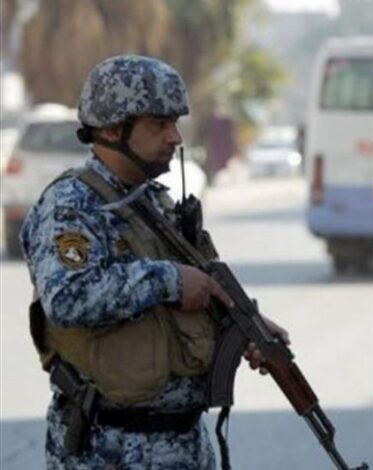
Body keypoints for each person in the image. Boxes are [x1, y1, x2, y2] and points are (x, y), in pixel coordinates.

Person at [21, 55, 288, 469]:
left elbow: (190, 297)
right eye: (159, 124)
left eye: (175, 123)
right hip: (112, 448)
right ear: (113, 129)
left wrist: (243, 323)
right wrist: (169, 280)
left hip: (183, 444)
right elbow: (68, 297)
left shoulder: (151, 203)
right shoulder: (72, 206)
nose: (175, 137)